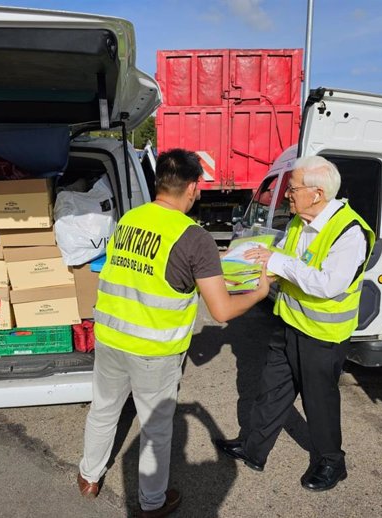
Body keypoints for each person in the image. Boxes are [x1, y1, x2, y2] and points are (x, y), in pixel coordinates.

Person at [77, 148, 271, 517]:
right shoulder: (194, 237)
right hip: (153, 350)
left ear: (159, 183)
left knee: (103, 410)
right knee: (155, 428)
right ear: (194, 187)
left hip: (110, 336)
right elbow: (222, 309)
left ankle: (89, 477)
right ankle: (151, 502)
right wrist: (258, 292)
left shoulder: (131, 219)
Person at [214, 155, 374, 492]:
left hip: (322, 335)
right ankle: (253, 449)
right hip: (288, 323)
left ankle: (332, 461)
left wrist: (278, 262)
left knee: (319, 402)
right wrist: (248, 269)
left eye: (293, 188)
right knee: (271, 391)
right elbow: (285, 258)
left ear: (317, 193)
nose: (287, 193)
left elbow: (328, 284)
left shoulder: (349, 232)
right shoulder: (301, 221)